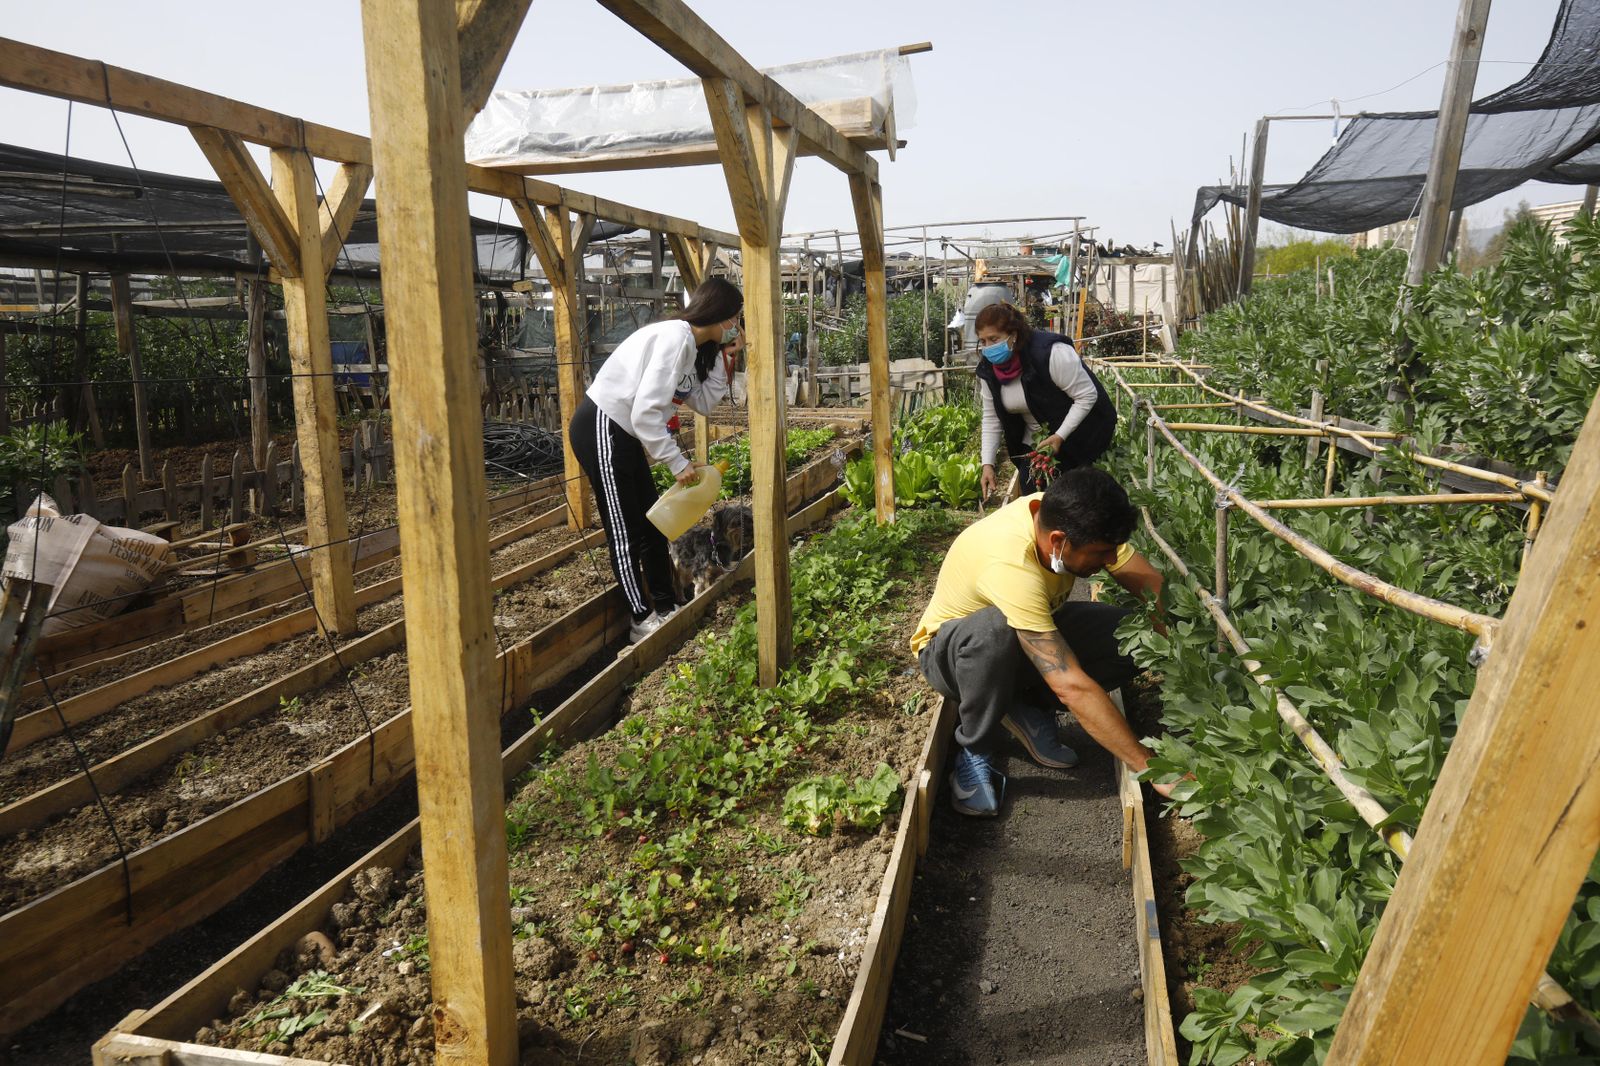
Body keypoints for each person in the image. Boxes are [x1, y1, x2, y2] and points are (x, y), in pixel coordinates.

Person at [910, 466, 1174, 816]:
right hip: (952, 657)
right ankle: (975, 748)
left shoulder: (1066, 513)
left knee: (1137, 637)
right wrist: (1150, 766)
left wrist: (1181, 651)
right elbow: (1070, 685)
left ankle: (1026, 705)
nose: (1110, 560)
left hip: (1018, 639)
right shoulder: (1009, 563)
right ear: (1058, 541)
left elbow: (1151, 585)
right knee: (995, 630)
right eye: (1101, 553)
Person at [568, 277, 744, 643]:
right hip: (602, 425)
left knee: (652, 525)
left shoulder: (692, 349)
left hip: (625, 434)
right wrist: (677, 463)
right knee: (624, 531)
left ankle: (665, 606)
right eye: (736, 317)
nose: (736, 326)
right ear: (721, 313)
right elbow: (645, 413)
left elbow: (702, 402)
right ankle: (641, 619)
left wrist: (724, 358)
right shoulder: (675, 338)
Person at [974, 302, 1117, 500]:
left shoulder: (1050, 353)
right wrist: (987, 464)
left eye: (994, 339)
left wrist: (1059, 436)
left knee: (1075, 498)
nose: (988, 348)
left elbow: (1087, 395)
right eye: (983, 341)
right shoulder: (989, 370)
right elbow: (991, 417)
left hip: (1079, 433)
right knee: (1032, 493)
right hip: (1037, 441)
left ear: (1013, 335)